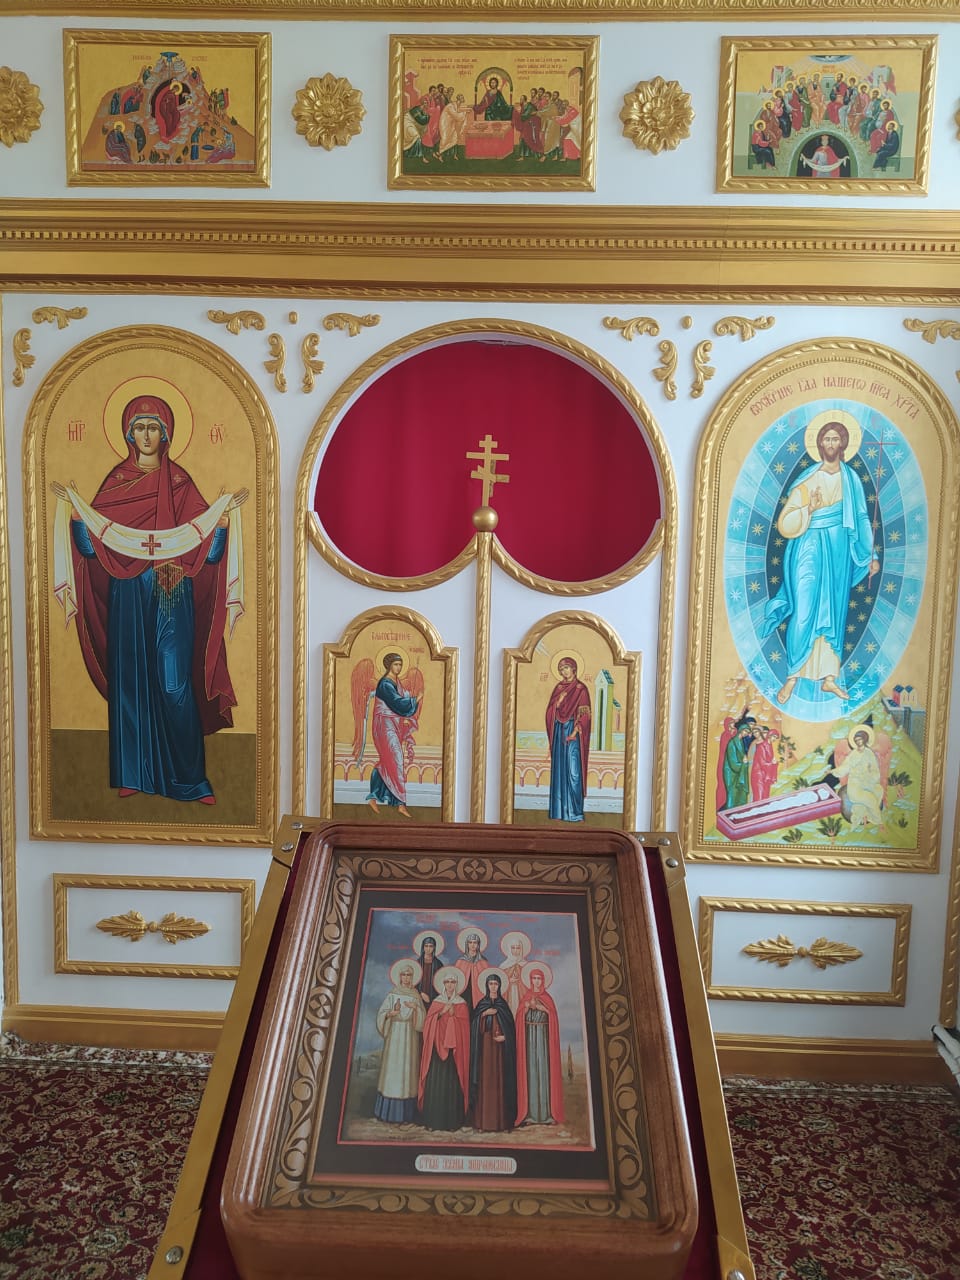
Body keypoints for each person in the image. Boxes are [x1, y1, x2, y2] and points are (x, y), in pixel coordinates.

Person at [52, 395, 246, 804]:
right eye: (138, 427)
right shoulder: (116, 484)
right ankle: (133, 774)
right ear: (128, 434)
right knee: (131, 682)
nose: (145, 435)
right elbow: (92, 550)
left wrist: (222, 523)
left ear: (166, 434)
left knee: (174, 683)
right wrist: (78, 519)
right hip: (127, 593)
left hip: (172, 592)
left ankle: (190, 780)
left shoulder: (181, 485)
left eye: (153, 427)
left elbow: (208, 555)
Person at [761, 419, 878, 705]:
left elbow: (861, 517)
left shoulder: (851, 479)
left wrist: (870, 555)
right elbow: (785, 522)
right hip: (809, 546)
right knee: (804, 608)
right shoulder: (808, 478)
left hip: (838, 549)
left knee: (834, 611)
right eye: (826, 439)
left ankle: (829, 677)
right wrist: (809, 510)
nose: (830, 444)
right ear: (819, 444)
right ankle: (792, 676)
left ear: (843, 444)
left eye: (835, 439)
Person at [365, 652, 422, 816]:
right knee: (396, 759)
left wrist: (409, 699)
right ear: (389, 665)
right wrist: (415, 700)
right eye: (396, 664)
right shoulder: (385, 684)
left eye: (400, 664)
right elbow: (397, 703)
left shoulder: (396, 682)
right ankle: (400, 803)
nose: (399, 667)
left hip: (393, 725)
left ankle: (373, 797)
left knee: (386, 761)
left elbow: (400, 702)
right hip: (384, 726)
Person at [417, 968, 470, 1131]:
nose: (450, 985)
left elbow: (465, 1028)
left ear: (457, 984)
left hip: (454, 1052)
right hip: (436, 1049)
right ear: (443, 984)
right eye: (447, 982)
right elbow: (428, 1024)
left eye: (453, 982)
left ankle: (452, 1122)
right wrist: (441, 1013)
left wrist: (455, 1015)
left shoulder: (461, 1003)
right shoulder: (437, 1002)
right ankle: (433, 1121)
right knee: (436, 1083)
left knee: (452, 1084)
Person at [373, 962, 426, 1124]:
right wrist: (391, 1013)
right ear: (399, 977)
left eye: (409, 975)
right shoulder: (392, 994)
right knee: (393, 1071)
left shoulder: (416, 996)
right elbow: (381, 1014)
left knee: (408, 1073)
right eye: (404, 975)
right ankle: (387, 1113)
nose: (406, 978)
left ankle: (407, 1116)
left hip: (410, 1037)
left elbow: (422, 1021)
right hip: (395, 1036)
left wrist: (416, 1009)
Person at [515, 967, 564, 1127]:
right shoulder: (526, 997)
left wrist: (544, 1009)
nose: (536, 981)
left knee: (544, 1071)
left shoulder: (547, 998)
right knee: (531, 1072)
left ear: (543, 981)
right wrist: (526, 1007)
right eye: (534, 978)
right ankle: (530, 1115)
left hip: (543, 1039)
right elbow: (519, 1018)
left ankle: (547, 1115)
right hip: (529, 1039)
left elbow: (553, 1017)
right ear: (530, 980)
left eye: (539, 978)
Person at [469, 972, 517, 1132]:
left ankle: (500, 1123)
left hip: (499, 1052)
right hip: (484, 1051)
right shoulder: (482, 1005)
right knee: (485, 1082)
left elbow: (511, 1029)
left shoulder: (503, 1006)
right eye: (491, 984)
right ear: (487, 986)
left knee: (499, 1082)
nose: (493, 987)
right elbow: (474, 1026)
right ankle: (483, 1123)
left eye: (496, 984)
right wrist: (484, 1014)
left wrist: (505, 1037)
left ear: (500, 986)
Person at [545, 657, 591, 822]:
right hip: (559, 732)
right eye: (561, 669)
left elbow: (585, 715)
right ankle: (559, 812)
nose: (563, 672)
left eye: (566, 668)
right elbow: (550, 712)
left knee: (573, 772)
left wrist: (575, 732)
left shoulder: (581, 689)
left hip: (574, 734)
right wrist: (558, 702)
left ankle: (575, 812)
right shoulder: (559, 688)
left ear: (574, 669)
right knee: (559, 770)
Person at [835, 728, 886, 830]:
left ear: (865, 739)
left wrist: (870, 775)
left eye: (860, 739)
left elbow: (875, 770)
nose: (858, 742)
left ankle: (865, 814)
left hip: (866, 782)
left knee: (878, 790)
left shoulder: (869, 753)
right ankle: (878, 821)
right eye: (856, 740)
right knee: (870, 799)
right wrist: (833, 771)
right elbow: (845, 767)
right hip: (855, 784)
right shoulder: (853, 754)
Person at [720, 715, 756, 810]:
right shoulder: (732, 743)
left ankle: (739, 811)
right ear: (741, 730)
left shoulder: (740, 742)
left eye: (747, 732)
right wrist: (744, 764)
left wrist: (744, 761)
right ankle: (730, 812)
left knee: (740, 793)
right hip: (731, 773)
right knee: (732, 793)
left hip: (738, 771)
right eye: (745, 731)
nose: (746, 733)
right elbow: (733, 763)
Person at [453, 931, 487, 1012]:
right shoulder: (461, 961)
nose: (472, 945)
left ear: (478, 944)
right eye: (470, 942)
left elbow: (486, 979)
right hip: (464, 993)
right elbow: (456, 979)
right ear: (467, 944)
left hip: (479, 993)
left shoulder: (483, 961)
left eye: (475, 942)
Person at [750, 725, 779, 802]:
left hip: (765, 775)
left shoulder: (769, 746)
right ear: (770, 735)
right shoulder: (762, 746)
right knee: (759, 797)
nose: (774, 739)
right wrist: (773, 764)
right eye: (774, 736)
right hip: (758, 775)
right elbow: (762, 763)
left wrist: (774, 763)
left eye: (776, 738)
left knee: (765, 797)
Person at [415, 935, 442, 1008]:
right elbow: (413, 982)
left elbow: (441, 983)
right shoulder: (417, 963)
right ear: (423, 947)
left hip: (434, 996)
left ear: (434, 948)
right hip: (419, 995)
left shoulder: (438, 964)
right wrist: (420, 993)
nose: (428, 949)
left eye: (431, 946)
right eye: (426, 946)